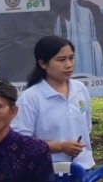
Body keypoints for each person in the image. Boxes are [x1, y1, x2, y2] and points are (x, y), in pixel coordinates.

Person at [12, 36, 95, 174]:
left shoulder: (80, 89)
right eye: (61, 60)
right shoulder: (31, 98)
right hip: (49, 175)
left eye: (71, 58)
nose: (68, 65)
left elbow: (86, 128)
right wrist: (60, 146)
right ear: (43, 64)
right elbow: (20, 143)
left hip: (84, 171)